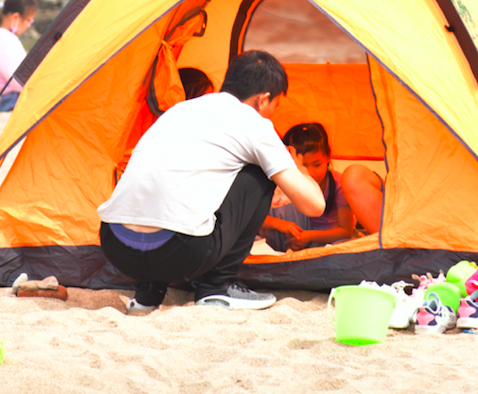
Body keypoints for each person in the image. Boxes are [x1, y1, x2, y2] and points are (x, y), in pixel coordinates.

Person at [98, 50, 325, 312]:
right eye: (275, 106)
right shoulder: (253, 121)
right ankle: (218, 286)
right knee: (263, 171)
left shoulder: (179, 110)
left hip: (117, 247)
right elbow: (314, 206)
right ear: (263, 100)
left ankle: (148, 294)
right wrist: (298, 169)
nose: (272, 113)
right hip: (178, 253)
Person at [261, 123, 354, 251]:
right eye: (302, 165)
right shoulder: (283, 182)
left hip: (327, 241)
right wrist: (281, 225)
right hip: (293, 238)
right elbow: (253, 218)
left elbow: (345, 231)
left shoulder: (338, 183)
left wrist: (310, 236)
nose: (310, 173)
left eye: (316, 165)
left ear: (327, 157)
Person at [0, 0, 38, 112]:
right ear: (16, 17)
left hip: (6, 98)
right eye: (29, 21)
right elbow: (15, 77)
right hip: (14, 98)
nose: (29, 26)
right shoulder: (5, 40)